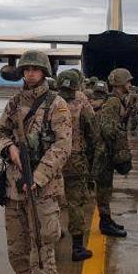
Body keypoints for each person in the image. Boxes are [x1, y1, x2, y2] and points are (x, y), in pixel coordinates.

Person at [0, 50, 73, 274]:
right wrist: (9, 149)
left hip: (42, 190)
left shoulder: (56, 105)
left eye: (35, 69)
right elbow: (0, 133)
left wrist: (37, 177)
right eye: (26, 69)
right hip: (14, 189)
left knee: (42, 249)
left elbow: (62, 147)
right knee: (17, 249)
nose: (30, 74)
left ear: (44, 72)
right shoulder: (15, 103)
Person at [56, 70, 102, 261]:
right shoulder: (81, 102)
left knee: (52, 199)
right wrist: (91, 157)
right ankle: (77, 248)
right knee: (76, 202)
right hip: (75, 158)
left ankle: (54, 232)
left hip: (52, 159)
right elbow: (92, 131)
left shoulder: (49, 101)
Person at [92, 67, 134, 237]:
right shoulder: (114, 102)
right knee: (104, 188)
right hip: (105, 152)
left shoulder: (115, 100)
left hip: (106, 150)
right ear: (121, 83)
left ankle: (107, 219)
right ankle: (105, 222)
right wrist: (118, 146)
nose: (130, 84)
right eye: (128, 81)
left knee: (106, 187)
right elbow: (108, 128)